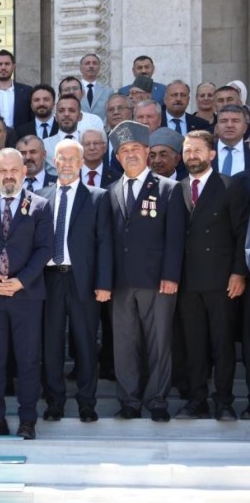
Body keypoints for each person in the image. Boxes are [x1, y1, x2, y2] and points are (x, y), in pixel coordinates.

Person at [0, 148, 54, 440]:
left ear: (24, 172)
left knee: (28, 359)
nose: (8, 175)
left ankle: (28, 420)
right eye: (2, 170)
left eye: (14, 170)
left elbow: (44, 249)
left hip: (26, 296)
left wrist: (21, 281)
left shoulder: (39, 205)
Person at [106, 120, 187, 422]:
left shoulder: (168, 189)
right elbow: (108, 241)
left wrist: (171, 275)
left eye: (135, 149)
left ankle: (156, 400)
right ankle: (129, 400)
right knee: (124, 345)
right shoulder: (111, 191)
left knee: (159, 343)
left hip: (157, 281)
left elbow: (175, 238)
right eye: (124, 150)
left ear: (147, 151)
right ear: (116, 157)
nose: (130, 155)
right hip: (121, 283)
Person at [39, 139, 113, 423]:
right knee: (51, 345)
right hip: (49, 281)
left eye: (72, 159)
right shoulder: (40, 195)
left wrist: (104, 283)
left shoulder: (97, 196)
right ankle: (54, 402)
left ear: (81, 163)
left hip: (83, 281)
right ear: (53, 161)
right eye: (61, 158)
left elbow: (105, 243)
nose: (67, 163)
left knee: (85, 343)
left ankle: (86, 402)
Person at [177, 131, 248, 420]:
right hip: (187, 281)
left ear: (211, 155)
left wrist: (238, 272)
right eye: (187, 151)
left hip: (221, 281)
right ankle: (197, 400)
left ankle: (224, 401)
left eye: (197, 150)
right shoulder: (177, 187)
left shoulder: (230, 186)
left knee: (222, 344)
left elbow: (241, 232)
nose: (192, 156)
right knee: (194, 346)